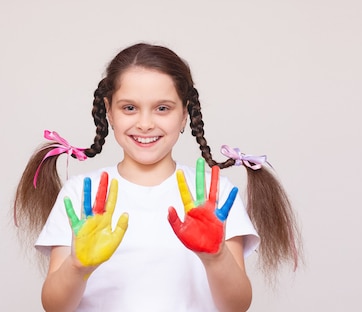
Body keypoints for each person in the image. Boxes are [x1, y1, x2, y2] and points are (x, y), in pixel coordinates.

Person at [12, 43, 302, 312]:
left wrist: (216, 257)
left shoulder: (215, 195)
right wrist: (77, 266)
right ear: (109, 112)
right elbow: (54, 306)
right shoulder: (81, 194)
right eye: (129, 108)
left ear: (184, 115)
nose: (146, 123)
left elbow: (237, 305)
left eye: (162, 108)